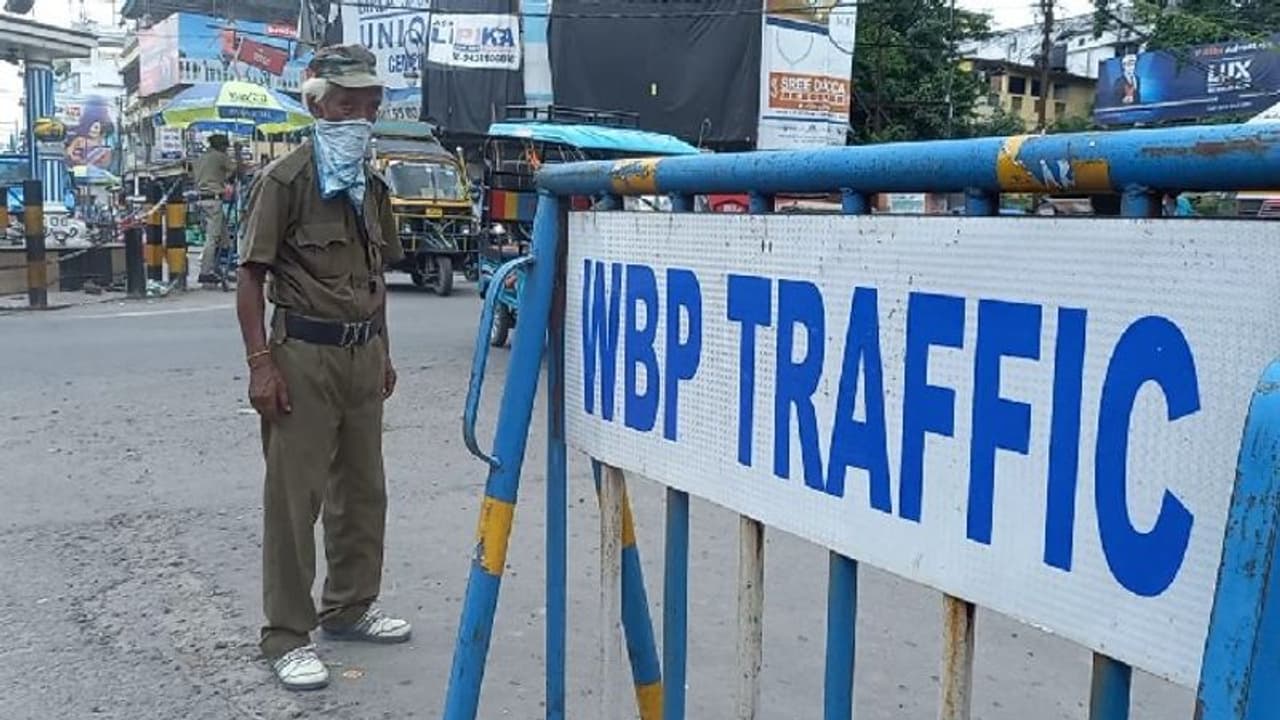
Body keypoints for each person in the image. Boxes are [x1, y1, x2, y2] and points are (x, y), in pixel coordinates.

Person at [235, 44, 409, 691]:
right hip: (302, 356)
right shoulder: (285, 181)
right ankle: (285, 634)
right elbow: (249, 279)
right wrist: (261, 365)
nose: (359, 117)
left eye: (369, 106)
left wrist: (384, 349)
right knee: (294, 498)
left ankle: (350, 607)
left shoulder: (373, 185)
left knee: (363, 492)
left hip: (363, 355)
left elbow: (377, 276)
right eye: (346, 104)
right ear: (317, 104)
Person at [195, 134, 239, 285]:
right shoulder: (220, 156)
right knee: (212, 237)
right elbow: (237, 169)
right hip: (214, 201)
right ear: (222, 146)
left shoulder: (201, 158)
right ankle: (205, 272)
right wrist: (238, 153)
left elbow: (217, 174)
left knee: (224, 235)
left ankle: (221, 266)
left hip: (202, 199)